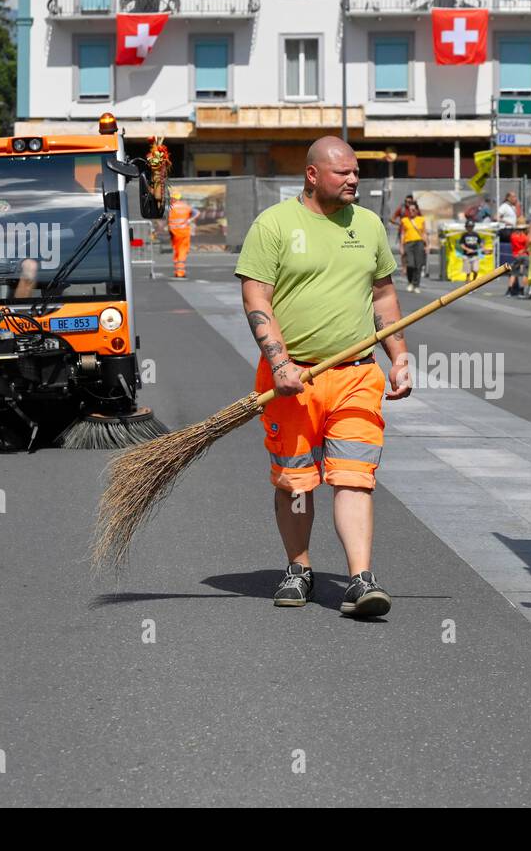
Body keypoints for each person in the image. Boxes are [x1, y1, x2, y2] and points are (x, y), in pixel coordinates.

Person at [235, 135, 411, 617]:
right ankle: (299, 569)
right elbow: (257, 300)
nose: (354, 179)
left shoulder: (370, 226)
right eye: (343, 172)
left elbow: (383, 297)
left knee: (355, 477)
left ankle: (360, 579)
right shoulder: (273, 225)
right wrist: (279, 362)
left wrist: (397, 353)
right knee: (295, 483)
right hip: (292, 379)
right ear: (312, 175)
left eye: (356, 171)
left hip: (357, 376)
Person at [398, 199, 426, 293]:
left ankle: (416, 285)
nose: (411, 211)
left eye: (413, 210)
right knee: (410, 264)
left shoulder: (421, 220)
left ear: (417, 210)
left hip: (419, 243)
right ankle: (410, 282)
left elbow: (424, 233)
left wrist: (427, 245)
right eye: (410, 210)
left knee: (418, 265)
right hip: (408, 243)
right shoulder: (404, 220)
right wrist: (401, 246)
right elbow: (402, 234)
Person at [167, 190, 193, 278]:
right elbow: (196, 212)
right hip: (184, 232)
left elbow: (167, 218)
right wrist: (190, 220)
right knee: (182, 251)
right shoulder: (186, 206)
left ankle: (177, 270)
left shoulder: (171, 207)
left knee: (177, 251)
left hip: (174, 233)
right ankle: (180, 272)